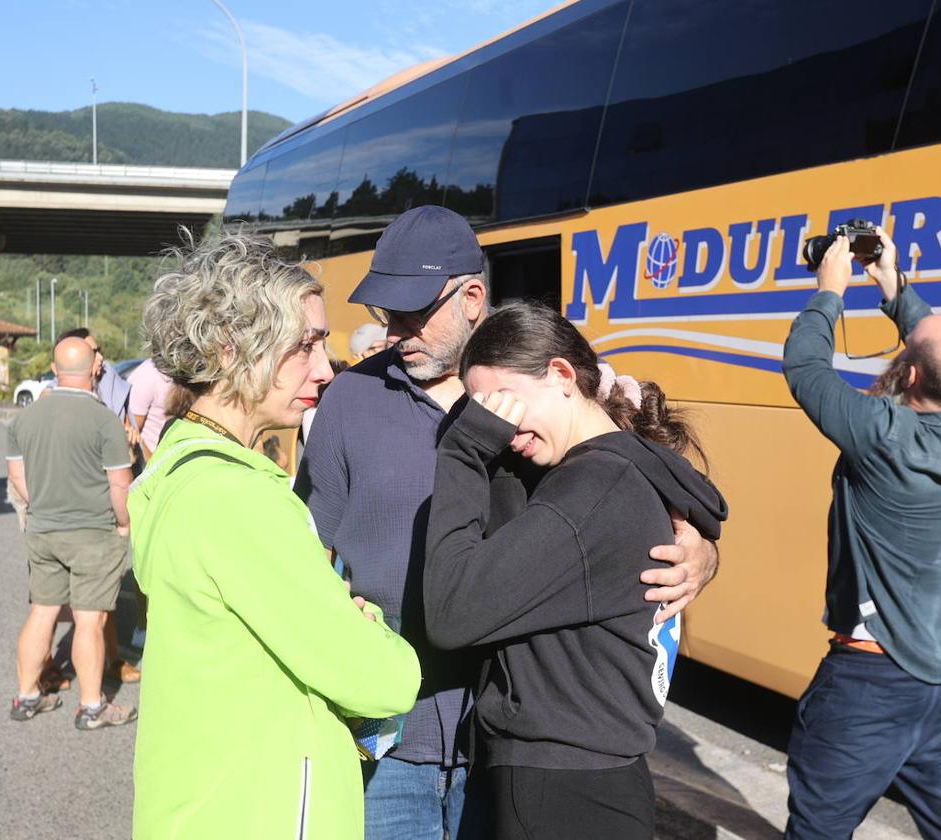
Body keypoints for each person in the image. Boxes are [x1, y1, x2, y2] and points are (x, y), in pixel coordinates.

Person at [296, 205, 720, 840]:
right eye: (387, 314)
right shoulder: (350, 400)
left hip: (503, 744)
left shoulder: (550, 390)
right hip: (387, 743)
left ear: (473, 297)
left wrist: (703, 551)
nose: (397, 330)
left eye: (415, 311)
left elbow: (646, 489)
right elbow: (305, 552)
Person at [129, 230, 421, 839]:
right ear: (232, 350)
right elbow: (382, 680)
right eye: (305, 345)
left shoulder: (179, 463)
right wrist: (368, 631)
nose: (326, 365)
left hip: (204, 801)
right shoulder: (239, 499)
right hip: (262, 811)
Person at [423, 302, 727, 838]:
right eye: (485, 414)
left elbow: (451, 612)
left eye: (504, 405)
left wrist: (463, 452)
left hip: (560, 789)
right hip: (597, 774)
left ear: (562, 375)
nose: (501, 429)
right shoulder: (614, 469)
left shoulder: (589, 493)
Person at [781, 227, 941, 839]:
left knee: (819, 826)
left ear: (908, 377)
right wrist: (893, 285)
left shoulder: (883, 435)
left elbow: (804, 366)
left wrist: (830, 291)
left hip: (872, 682)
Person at [5, 336, 138, 730]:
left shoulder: (26, 418)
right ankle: (92, 706)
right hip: (93, 533)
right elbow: (120, 485)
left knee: (42, 612)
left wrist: (42, 503)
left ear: (54, 366)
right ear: (93, 368)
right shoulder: (104, 421)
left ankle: (28, 695)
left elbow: (18, 477)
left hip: (43, 529)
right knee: (89, 620)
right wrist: (124, 522)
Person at [126, 357, 172, 461]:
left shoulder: (184, 374)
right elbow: (131, 432)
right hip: (154, 467)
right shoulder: (147, 375)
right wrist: (152, 467)